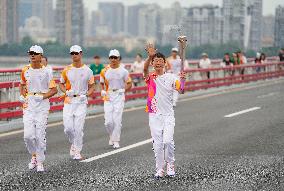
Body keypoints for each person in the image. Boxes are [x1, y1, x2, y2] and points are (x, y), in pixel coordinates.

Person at [143, 44, 186, 179]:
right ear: (153, 63)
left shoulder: (171, 78)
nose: (158, 63)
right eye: (155, 61)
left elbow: (181, 90)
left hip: (168, 115)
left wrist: (183, 80)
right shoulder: (150, 77)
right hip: (154, 115)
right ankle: (160, 169)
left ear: (164, 64)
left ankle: (170, 164)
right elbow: (144, 69)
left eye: (160, 61)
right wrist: (149, 56)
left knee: (168, 141)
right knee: (158, 144)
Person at [19, 45, 58, 172]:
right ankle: (34, 156)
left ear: (41, 56)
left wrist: (42, 97)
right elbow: (22, 84)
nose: (32, 55)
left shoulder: (47, 71)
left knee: (40, 135)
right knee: (28, 136)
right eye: (30, 53)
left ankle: (40, 161)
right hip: (29, 104)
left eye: (35, 53)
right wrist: (22, 95)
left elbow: (54, 90)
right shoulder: (25, 70)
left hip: (42, 105)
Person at [59, 45, 95, 160]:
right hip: (69, 101)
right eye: (72, 53)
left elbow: (92, 86)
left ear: (81, 54)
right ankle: (74, 143)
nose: (74, 55)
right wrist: (66, 91)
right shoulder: (66, 70)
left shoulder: (88, 71)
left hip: (81, 101)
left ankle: (77, 150)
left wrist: (87, 95)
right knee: (68, 128)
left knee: (78, 128)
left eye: (76, 53)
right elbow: (61, 84)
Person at [100, 49, 132, 149]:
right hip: (108, 96)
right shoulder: (104, 71)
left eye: (115, 57)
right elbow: (102, 83)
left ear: (118, 58)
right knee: (108, 122)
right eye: (111, 57)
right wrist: (102, 91)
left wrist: (123, 89)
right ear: (109, 58)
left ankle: (116, 140)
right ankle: (111, 135)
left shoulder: (124, 71)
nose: (113, 59)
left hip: (119, 95)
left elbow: (129, 84)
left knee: (117, 119)